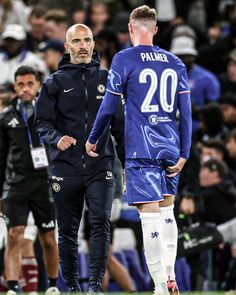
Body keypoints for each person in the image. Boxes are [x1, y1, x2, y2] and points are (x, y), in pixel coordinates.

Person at [86, 5, 192, 295]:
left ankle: (159, 285)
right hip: (171, 146)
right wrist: (186, 152)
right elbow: (186, 110)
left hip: (140, 148)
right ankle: (171, 276)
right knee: (168, 212)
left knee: (150, 216)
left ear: (131, 29)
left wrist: (93, 137)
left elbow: (108, 106)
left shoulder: (123, 58)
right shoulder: (175, 62)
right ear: (155, 30)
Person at [35, 24, 124, 294]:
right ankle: (72, 287)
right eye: (76, 41)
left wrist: (128, 164)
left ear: (94, 44)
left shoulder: (109, 79)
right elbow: (42, 122)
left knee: (100, 224)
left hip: (101, 164)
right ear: (67, 46)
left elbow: (119, 125)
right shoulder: (53, 83)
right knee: (68, 232)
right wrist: (56, 138)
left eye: (87, 40)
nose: (83, 45)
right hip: (65, 166)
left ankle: (96, 286)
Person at [0, 65, 59, 295]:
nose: (25, 88)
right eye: (21, 84)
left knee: (48, 239)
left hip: (45, 185)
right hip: (16, 185)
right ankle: (13, 287)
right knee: (14, 235)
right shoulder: (5, 117)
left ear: (38, 86)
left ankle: (53, 286)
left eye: (30, 84)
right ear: (15, 87)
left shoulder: (51, 114)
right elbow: (1, 157)